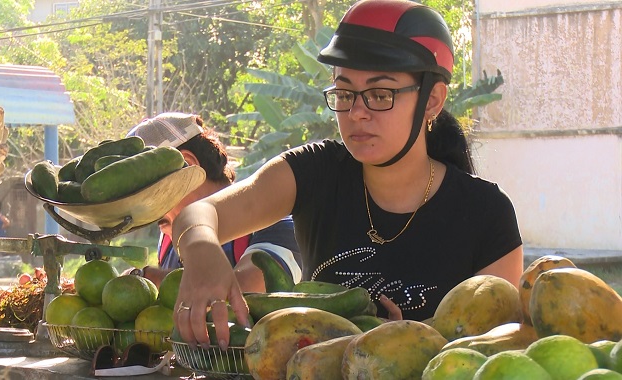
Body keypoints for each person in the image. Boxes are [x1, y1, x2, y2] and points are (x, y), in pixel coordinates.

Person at [171, 0, 524, 350]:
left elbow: (491, 351)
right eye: (344, 93)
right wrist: (203, 250)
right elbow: (199, 214)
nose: (357, 112)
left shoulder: (487, 214)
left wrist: (411, 347)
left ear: (432, 100)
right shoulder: (314, 172)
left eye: (380, 94)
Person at [124, 112, 302, 291]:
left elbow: (247, 289)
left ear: (188, 167)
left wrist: (148, 279)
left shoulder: (277, 225)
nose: (150, 212)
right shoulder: (169, 241)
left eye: (151, 194)